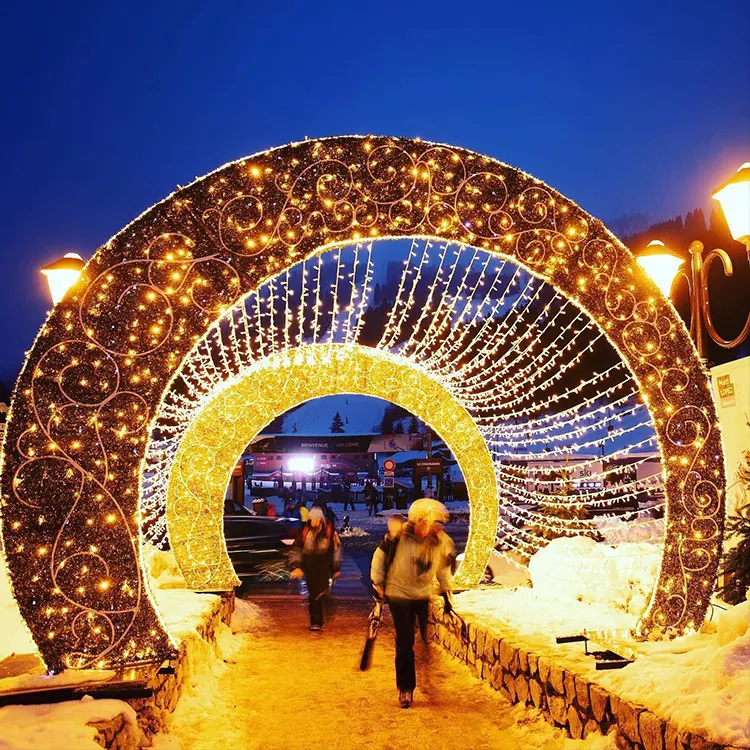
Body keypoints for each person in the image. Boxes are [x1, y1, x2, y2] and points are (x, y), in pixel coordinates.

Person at [370, 498, 455, 708]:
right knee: (405, 640)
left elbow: (443, 569)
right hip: (398, 594)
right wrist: (378, 583)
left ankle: (425, 670)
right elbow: (379, 557)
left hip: (421, 595)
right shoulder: (399, 537)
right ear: (418, 521)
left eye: (438, 523)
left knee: (424, 638)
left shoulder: (441, 541)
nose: (435, 527)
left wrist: (446, 592)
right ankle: (406, 688)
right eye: (431, 522)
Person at [289, 506, 342, 631]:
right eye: (312, 519)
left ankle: (327, 609)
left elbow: (336, 550)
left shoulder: (329, 532)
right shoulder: (305, 532)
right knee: (313, 594)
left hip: (324, 565)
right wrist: (297, 566)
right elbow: (296, 549)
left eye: (317, 519)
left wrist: (336, 568)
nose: (315, 522)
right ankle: (316, 622)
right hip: (309, 566)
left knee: (322, 592)